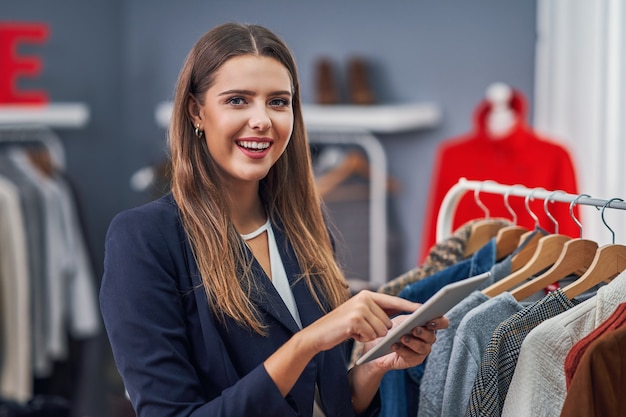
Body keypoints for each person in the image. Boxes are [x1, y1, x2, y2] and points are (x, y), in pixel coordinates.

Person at [99, 22, 448, 417]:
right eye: (237, 100)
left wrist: (372, 368)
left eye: (279, 102)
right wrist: (307, 342)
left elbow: (323, 404)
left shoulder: (304, 229)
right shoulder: (144, 239)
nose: (262, 120)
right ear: (197, 111)